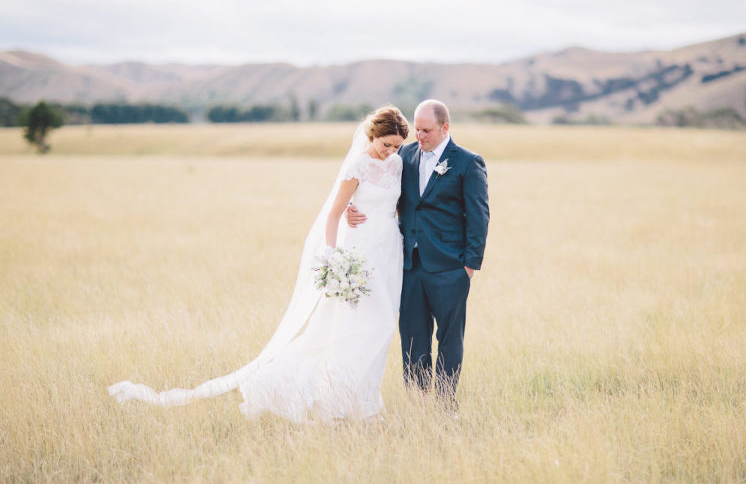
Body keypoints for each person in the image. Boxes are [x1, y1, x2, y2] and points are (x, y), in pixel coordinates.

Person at [109, 106, 409, 423]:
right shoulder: (358, 164)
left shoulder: (398, 164)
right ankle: (318, 398)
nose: (390, 151)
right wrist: (334, 257)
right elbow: (333, 214)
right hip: (357, 253)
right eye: (385, 143)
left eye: (396, 146)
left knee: (382, 327)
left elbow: (397, 206)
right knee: (348, 329)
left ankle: (364, 402)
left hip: (388, 250)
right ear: (373, 135)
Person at [347, 99, 489, 408]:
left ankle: (444, 403)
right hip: (409, 265)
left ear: (445, 128)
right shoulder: (404, 156)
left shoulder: (467, 162)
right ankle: (417, 402)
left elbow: (479, 216)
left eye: (426, 130)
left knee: (449, 338)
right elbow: (376, 188)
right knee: (412, 338)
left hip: (451, 268)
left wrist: (469, 266)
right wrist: (350, 208)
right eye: (417, 129)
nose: (419, 136)